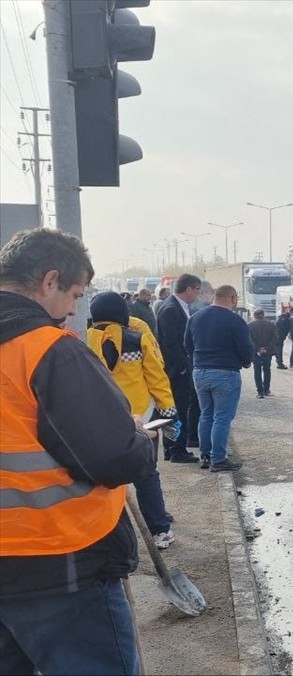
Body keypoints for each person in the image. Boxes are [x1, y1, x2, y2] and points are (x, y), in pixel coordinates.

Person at [0, 228, 156, 675]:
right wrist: (139, 439)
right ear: (49, 282)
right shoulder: (49, 351)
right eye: (73, 294)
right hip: (58, 567)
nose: (72, 310)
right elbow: (114, 459)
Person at [86, 291, 178, 549]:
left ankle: (104, 536)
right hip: (142, 418)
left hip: (99, 420)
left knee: (104, 479)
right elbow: (155, 375)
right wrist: (168, 410)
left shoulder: (81, 340)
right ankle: (160, 531)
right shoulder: (137, 339)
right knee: (147, 475)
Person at [184, 284, 253, 471]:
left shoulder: (195, 318)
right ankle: (219, 459)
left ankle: (205, 455)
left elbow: (187, 345)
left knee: (206, 414)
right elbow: (245, 348)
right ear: (232, 298)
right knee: (222, 417)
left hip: (200, 372)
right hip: (225, 373)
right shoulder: (235, 320)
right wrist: (246, 362)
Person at [155, 274, 204, 463]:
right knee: (178, 410)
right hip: (177, 370)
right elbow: (170, 343)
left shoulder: (178, 307)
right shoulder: (170, 309)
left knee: (177, 410)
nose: (198, 294)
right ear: (189, 289)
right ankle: (176, 450)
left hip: (180, 367)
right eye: (197, 289)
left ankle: (173, 448)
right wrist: (183, 367)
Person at [247, 308, 277, 398]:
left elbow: (250, 339)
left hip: (256, 352)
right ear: (263, 315)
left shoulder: (250, 325)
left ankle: (260, 392)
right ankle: (267, 390)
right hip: (268, 351)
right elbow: (275, 338)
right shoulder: (271, 325)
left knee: (257, 371)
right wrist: (267, 348)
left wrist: (257, 349)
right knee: (267, 370)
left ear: (254, 315)